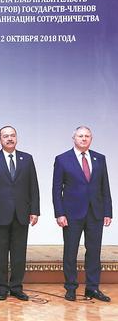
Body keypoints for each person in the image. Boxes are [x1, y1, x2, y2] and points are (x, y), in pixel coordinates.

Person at [53, 126, 112, 302]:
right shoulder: (62, 159)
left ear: (91, 139)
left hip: (95, 212)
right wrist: (59, 213)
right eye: (80, 136)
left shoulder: (99, 159)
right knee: (70, 252)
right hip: (71, 214)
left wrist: (107, 211)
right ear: (74, 138)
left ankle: (92, 288)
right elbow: (56, 189)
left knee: (94, 251)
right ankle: (71, 288)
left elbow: (105, 187)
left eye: (87, 136)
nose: (84, 139)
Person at [0, 126, 40, 301]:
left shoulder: (27, 159)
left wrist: (34, 211)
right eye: (5, 136)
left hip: (22, 213)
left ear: (17, 138)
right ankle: (1, 288)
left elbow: (33, 187)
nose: (9, 138)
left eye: (12, 135)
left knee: (19, 253)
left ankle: (16, 287)